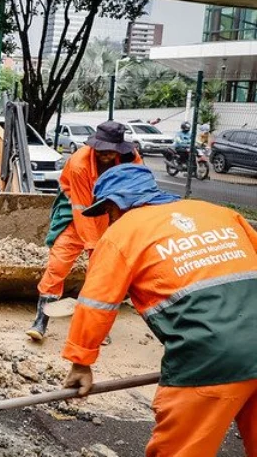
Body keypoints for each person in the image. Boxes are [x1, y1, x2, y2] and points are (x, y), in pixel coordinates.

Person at [62, 164, 257, 456]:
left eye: (106, 213)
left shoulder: (122, 234)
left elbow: (96, 304)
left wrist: (80, 363)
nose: (108, 220)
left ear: (115, 206)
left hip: (209, 358)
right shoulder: (218, 213)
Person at [27, 120, 142, 341]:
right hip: (77, 213)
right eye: (102, 150)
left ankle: (96, 326)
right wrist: (92, 246)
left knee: (102, 274)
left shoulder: (131, 159)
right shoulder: (80, 163)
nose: (106, 155)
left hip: (110, 211)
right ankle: (41, 321)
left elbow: (138, 187)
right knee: (57, 265)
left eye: (111, 151)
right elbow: (81, 209)